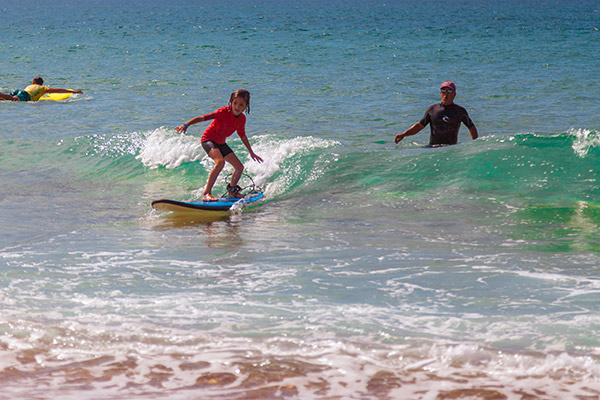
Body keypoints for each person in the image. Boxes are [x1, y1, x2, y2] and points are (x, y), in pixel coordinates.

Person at [175, 89, 263, 201]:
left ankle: (232, 192)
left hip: (221, 143)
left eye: (241, 104)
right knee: (220, 162)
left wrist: (251, 152)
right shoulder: (223, 112)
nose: (237, 106)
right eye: (235, 103)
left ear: (246, 106)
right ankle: (206, 194)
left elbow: (242, 136)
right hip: (208, 140)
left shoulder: (241, 119)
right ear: (231, 102)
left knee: (239, 167)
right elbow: (203, 118)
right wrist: (186, 124)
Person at [395, 81, 478, 147]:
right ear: (440, 93)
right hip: (433, 147)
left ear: (454, 94)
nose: (446, 94)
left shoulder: (460, 111)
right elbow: (419, 126)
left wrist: (476, 144)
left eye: (449, 91)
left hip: (451, 147)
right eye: (443, 91)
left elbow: (471, 127)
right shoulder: (432, 110)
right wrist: (404, 134)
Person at [0, 76, 83, 102]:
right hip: (27, 95)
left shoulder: (31, 85)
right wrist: (73, 91)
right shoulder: (43, 88)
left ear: (33, 82)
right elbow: (58, 90)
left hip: (20, 91)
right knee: (13, 99)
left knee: (4, 99)